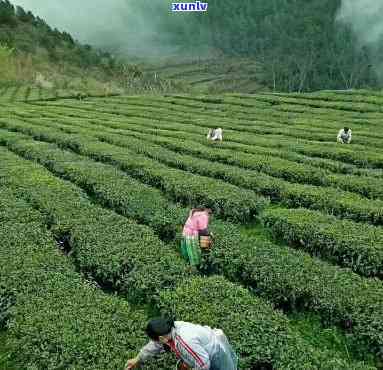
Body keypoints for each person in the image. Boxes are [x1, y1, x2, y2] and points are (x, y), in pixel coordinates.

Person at [125, 318, 238, 370]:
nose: (155, 343)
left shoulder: (184, 341)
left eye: (155, 339)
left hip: (216, 356)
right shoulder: (168, 330)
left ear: (161, 338)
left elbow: (204, 365)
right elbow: (155, 345)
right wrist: (137, 359)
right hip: (204, 352)